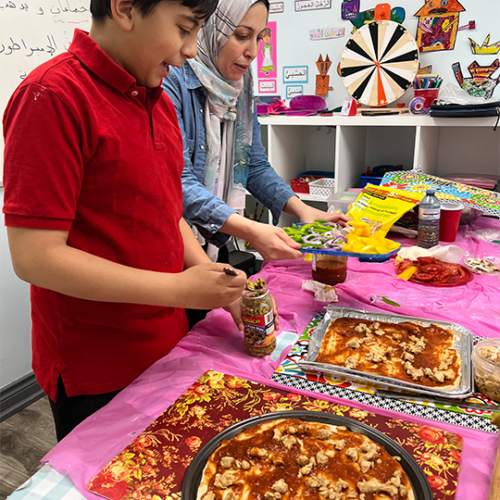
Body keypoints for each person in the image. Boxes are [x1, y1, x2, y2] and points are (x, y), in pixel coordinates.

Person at [2, 0, 249, 441]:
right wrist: (178, 288)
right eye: (183, 29)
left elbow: (167, 212)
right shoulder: (54, 97)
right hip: (96, 364)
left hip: (166, 341)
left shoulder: (157, 100)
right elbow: (35, 258)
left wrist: (212, 278)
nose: (191, 51)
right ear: (125, 9)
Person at [163, 0, 349, 269]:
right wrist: (250, 230)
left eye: (259, 38)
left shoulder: (241, 88)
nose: (252, 52)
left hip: (215, 240)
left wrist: (301, 209)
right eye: (241, 36)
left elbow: (252, 165)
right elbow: (177, 182)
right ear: (209, 29)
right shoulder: (172, 81)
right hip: (176, 246)